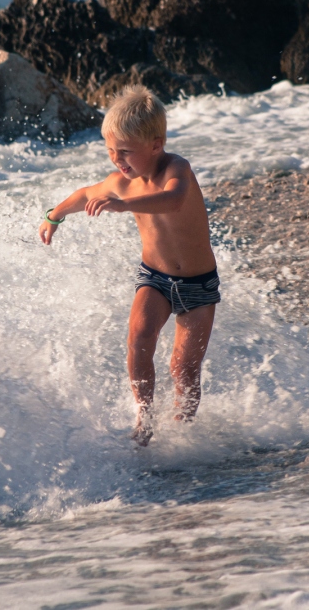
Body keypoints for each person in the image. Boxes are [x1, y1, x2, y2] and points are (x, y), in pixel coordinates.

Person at [39, 85, 220, 446]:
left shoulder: (176, 168)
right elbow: (85, 194)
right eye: (110, 150)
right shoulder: (120, 181)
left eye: (125, 151)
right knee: (139, 339)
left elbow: (172, 200)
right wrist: (54, 216)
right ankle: (144, 417)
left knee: (183, 369)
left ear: (155, 144)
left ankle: (183, 436)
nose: (116, 159)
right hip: (154, 278)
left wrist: (124, 205)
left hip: (198, 285)